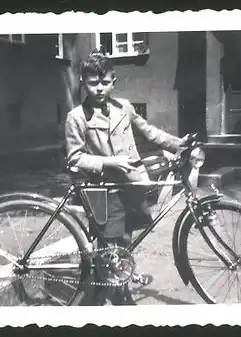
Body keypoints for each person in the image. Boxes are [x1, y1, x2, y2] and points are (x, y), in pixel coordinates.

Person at [64, 51, 188, 305]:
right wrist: (110, 162)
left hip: (129, 185)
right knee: (108, 244)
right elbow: (74, 158)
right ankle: (110, 294)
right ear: (82, 82)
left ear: (114, 81)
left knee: (125, 240)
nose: (99, 88)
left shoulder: (125, 107)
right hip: (102, 190)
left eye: (105, 82)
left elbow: (149, 132)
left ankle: (114, 283)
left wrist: (179, 144)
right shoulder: (76, 117)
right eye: (93, 83)